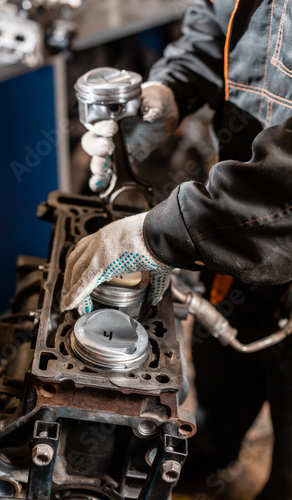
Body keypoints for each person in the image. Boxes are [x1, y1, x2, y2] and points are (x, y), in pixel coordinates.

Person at [61, 1, 292, 498]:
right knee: (222, 370)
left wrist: (165, 232)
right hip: (241, 234)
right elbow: (221, 22)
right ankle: (207, 458)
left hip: (261, 218)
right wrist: (170, 88)